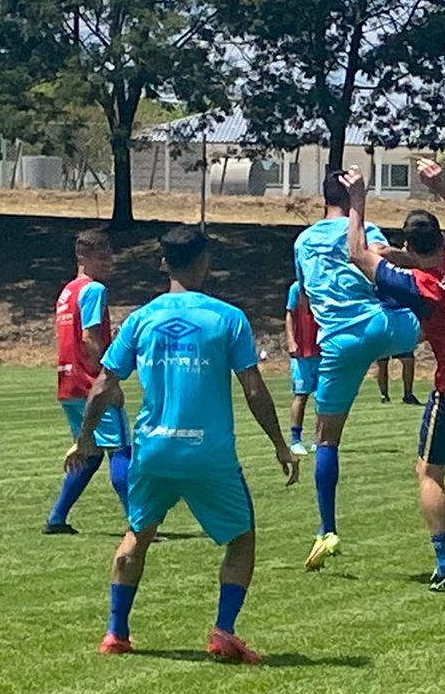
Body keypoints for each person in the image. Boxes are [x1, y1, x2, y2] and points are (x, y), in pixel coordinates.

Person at [69, 226, 300, 662]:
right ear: (204, 262)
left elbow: (102, 384)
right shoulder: (227, 318)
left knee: (138, 534)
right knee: (242, 538)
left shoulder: (141, 319)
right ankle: (223, 631)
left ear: (163, 263)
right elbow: (253, 388)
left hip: (153, 451)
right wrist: (279, 444)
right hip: (209, 454)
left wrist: (84, 440)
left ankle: (116, 632)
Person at [344, 161, 445, 592]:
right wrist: (440, 185)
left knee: (429, 473)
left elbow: (357, 254)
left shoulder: (416, 286)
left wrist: (357, 198)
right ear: (441, 238)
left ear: (409, 247)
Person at [294, 171, 420, 570]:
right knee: (443, 314)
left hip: (338, 342)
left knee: (326, 441)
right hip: (381, 325)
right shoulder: (364, 227)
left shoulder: (302, 241)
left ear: (323, 198)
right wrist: (414, 257)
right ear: (353, 197)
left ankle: (327, 530)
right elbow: (378, 257)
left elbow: (304, 291)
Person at [46, 228, 130, 533]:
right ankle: (139, 522)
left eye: (109, 256)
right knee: (121, 448)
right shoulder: (93, 290)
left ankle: (56, 519)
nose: (108, 262)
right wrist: (109, 381)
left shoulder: (67, 292)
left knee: (89, 452)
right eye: (100, 257)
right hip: (90, 383)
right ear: (82, 258)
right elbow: (90, 338)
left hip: (68, 384)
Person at [284, 279, 317, 457]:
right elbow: (289, 314)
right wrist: (291, 340)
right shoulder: (296, 288)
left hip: (322, 349)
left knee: (323, 397)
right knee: (301, 395)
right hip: (302, 352)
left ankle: (320, 438)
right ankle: (295, 440)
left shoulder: (322, 284)